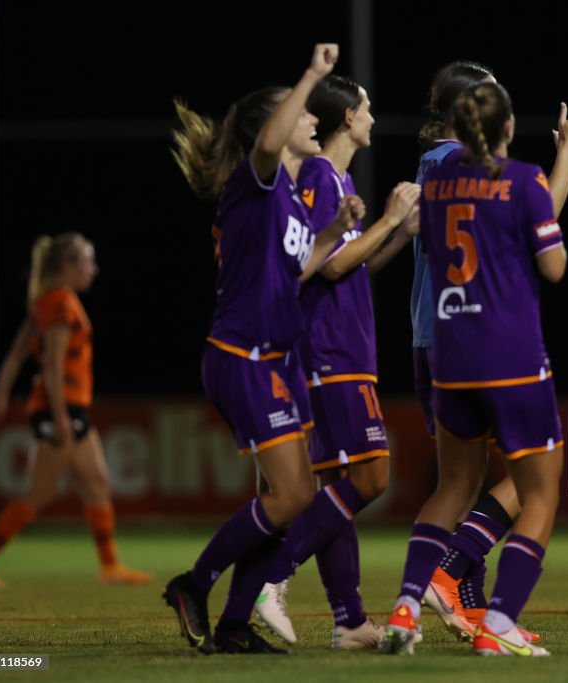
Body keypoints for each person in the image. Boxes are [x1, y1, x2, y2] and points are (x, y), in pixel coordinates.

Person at [163, 43, 365, 655]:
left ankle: (231, 626)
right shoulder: (256, 180)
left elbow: (296, 272)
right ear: (269, 129)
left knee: (285, 500)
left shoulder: (284, 198)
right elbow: (272, 140)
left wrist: (331, 233)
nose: (311, 119)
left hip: (275, 360)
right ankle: (193, 584)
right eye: (300, 111)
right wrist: (312, 75)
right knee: (293, 496)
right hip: (242, 358)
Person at [380, 81, 568, 657]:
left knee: (453, 485)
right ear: (506, 128)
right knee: (541, 492)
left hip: (450, 354)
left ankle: (406, 605)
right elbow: (553, 267)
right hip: (512, 356)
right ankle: (499, 621)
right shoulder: (523, 179)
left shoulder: (438, 181)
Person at [252, 73, 421, 650]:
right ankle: (271, 574)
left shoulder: (334, 176)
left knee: (337, 488)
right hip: (333, 352)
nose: (373, 117)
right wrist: (389, 221)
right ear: (347, 117)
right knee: (371, 478)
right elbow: (327, 266)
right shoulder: (323, 174)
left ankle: (349, 622)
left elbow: (349, 263)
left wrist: (395, 238)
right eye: (368, 108)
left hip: (339, 349)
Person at [0, 234, 151, 589]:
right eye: (88, 262)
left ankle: (110, 567)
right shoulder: (61, 304)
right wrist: (61, 415)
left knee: (97, 484)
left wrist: (1, 395)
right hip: (60, 408)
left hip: (68, 407)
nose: (93, 270)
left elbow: (18, 353)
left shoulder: (46, 302)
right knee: (41, 492)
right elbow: (51, 365)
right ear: (68, 266)